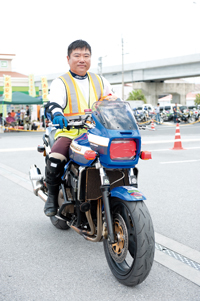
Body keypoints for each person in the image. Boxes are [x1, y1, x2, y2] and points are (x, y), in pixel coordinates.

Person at [44, 39, 113, 217]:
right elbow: (54, 104)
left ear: (90, 58)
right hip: (70, 132)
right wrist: (57, 114)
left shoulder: (100, 80)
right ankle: (51, 197)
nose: (82, 59)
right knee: (56, 157)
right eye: (77, 55)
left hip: (98, 132)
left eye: (86, 55)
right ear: (68, 58)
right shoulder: (61, 82)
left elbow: (113, 101)